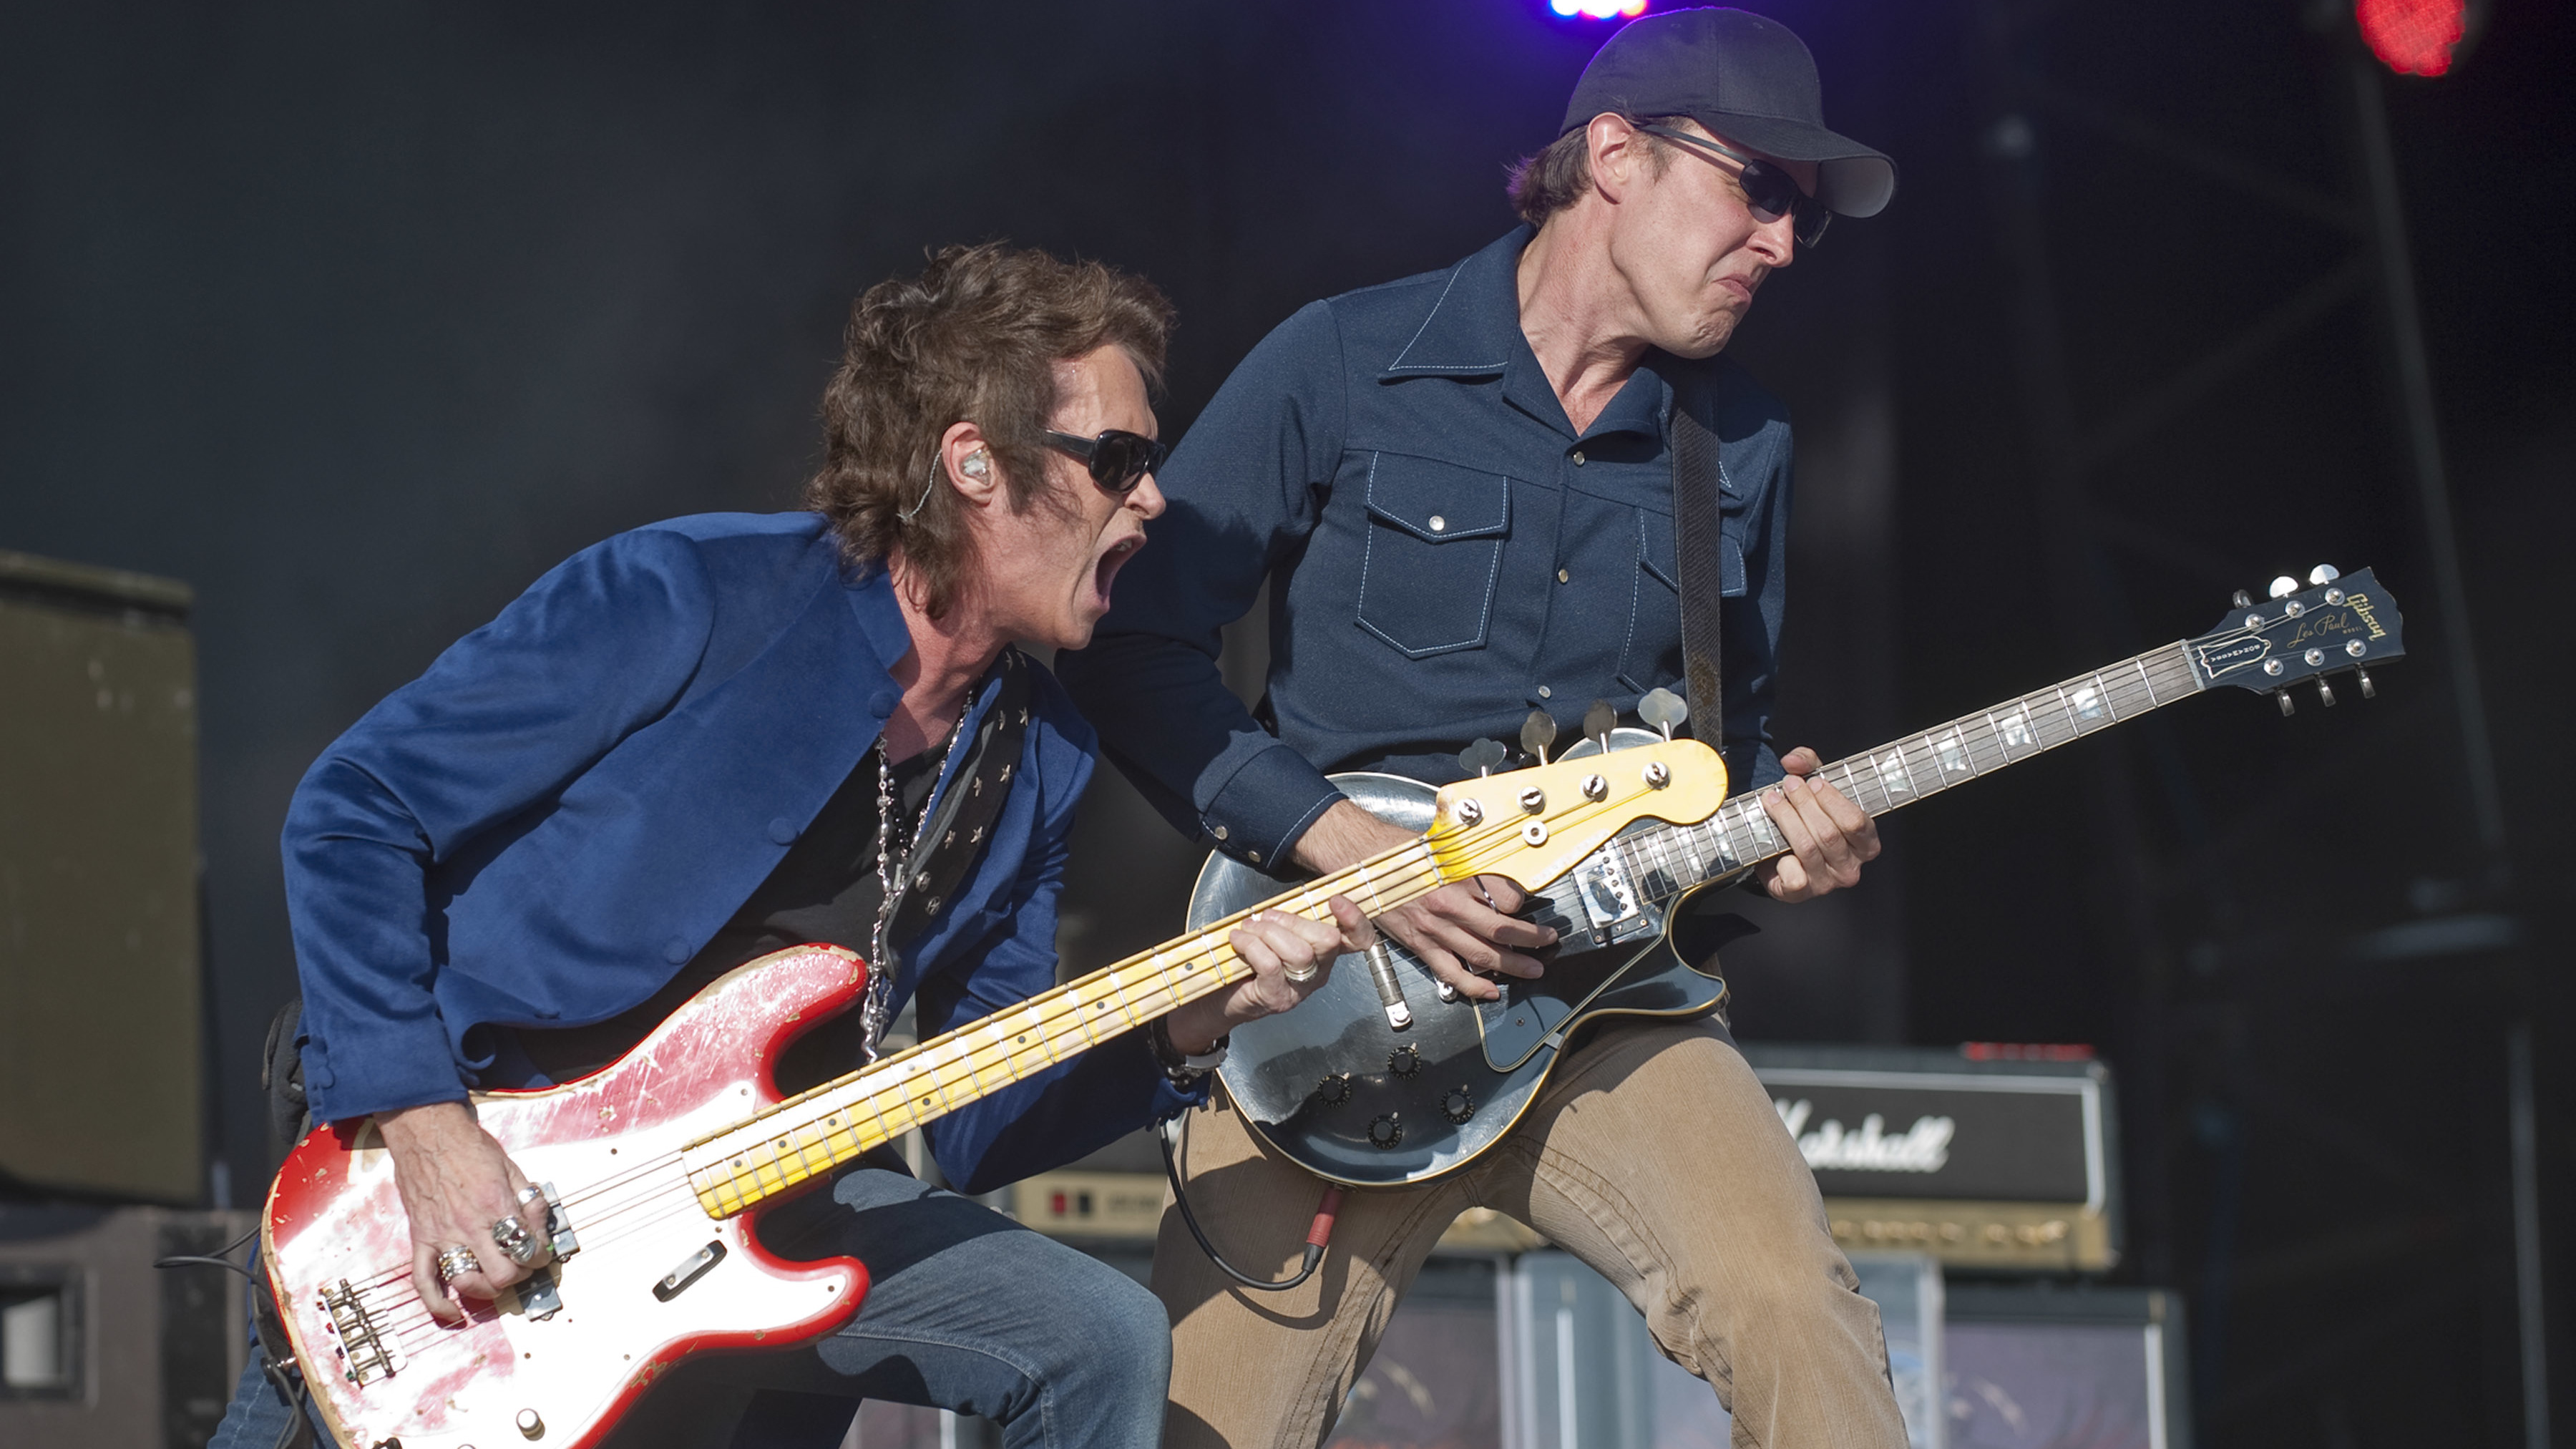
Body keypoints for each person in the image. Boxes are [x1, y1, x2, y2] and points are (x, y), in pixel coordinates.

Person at [210, 243, 1367, 1449]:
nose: (1153, 500)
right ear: (974, 462)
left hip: (773, 1202)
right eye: (1119, 460)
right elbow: (353, 810)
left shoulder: (1043, 753)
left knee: (1097, 1334)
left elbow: (982, 1118)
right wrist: (431, 1132)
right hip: (496, 1178)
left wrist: (1189, 1023)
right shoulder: (694, 591)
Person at [1059, 9, 1908, 1447]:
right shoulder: (1342, 360)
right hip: (1317, 992)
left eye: (1801, 225)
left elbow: (1724, 751)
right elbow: (1128, 636)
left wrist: (1787, 831)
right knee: (1203, 1424)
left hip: (1604, 1006)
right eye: (1758, 191)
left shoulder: (1743, 446)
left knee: (1793, 1309)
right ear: (1619, 157)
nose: (1778, 244)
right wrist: (1339, 849)